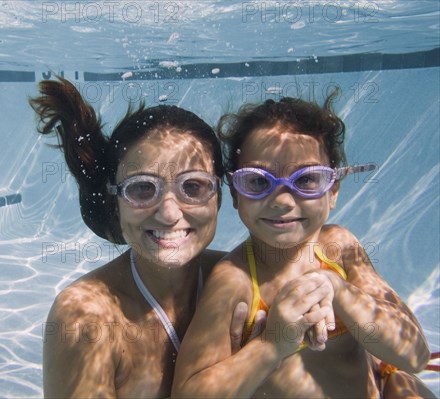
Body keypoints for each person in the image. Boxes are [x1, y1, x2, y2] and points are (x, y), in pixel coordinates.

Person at [171, 92, 432, 398]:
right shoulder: (235, 280)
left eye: (307, 179)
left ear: (333, 190)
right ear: (235, 193)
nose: (282, 200)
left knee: (406, 386)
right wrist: (272, 344)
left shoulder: (339, 248)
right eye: (257, 181)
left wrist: (338, 290)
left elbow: (415, 355)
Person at [30, 76, 231, 398]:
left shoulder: (240, 276)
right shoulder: (86, 315)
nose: (169, 214)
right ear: (115, 201)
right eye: (142, 188)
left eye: (193, 187)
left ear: (219, 196)